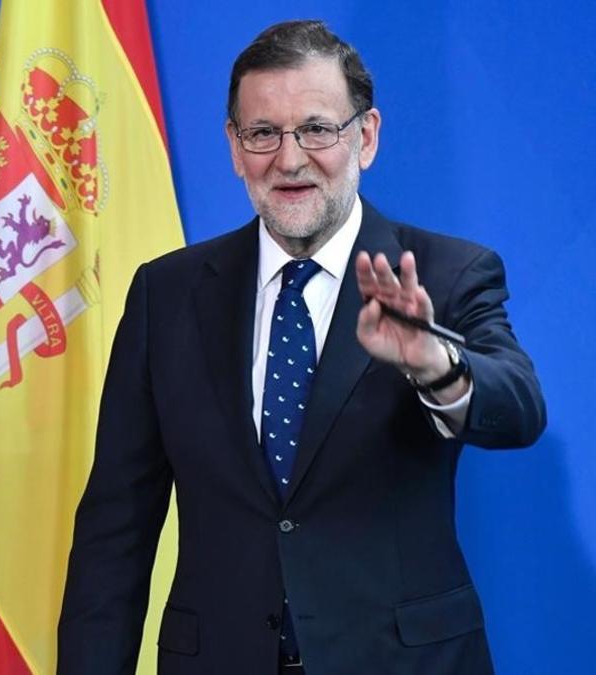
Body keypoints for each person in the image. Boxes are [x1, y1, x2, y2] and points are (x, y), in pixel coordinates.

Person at [57, 20, 545, 675]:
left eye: (318, 129)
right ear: (234, 146)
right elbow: (115, 530)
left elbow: (519, 407)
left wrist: (436, 364)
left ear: (365, 137)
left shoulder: (445, 272)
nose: (289, 160)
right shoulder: (165, 294)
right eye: (263, 133)